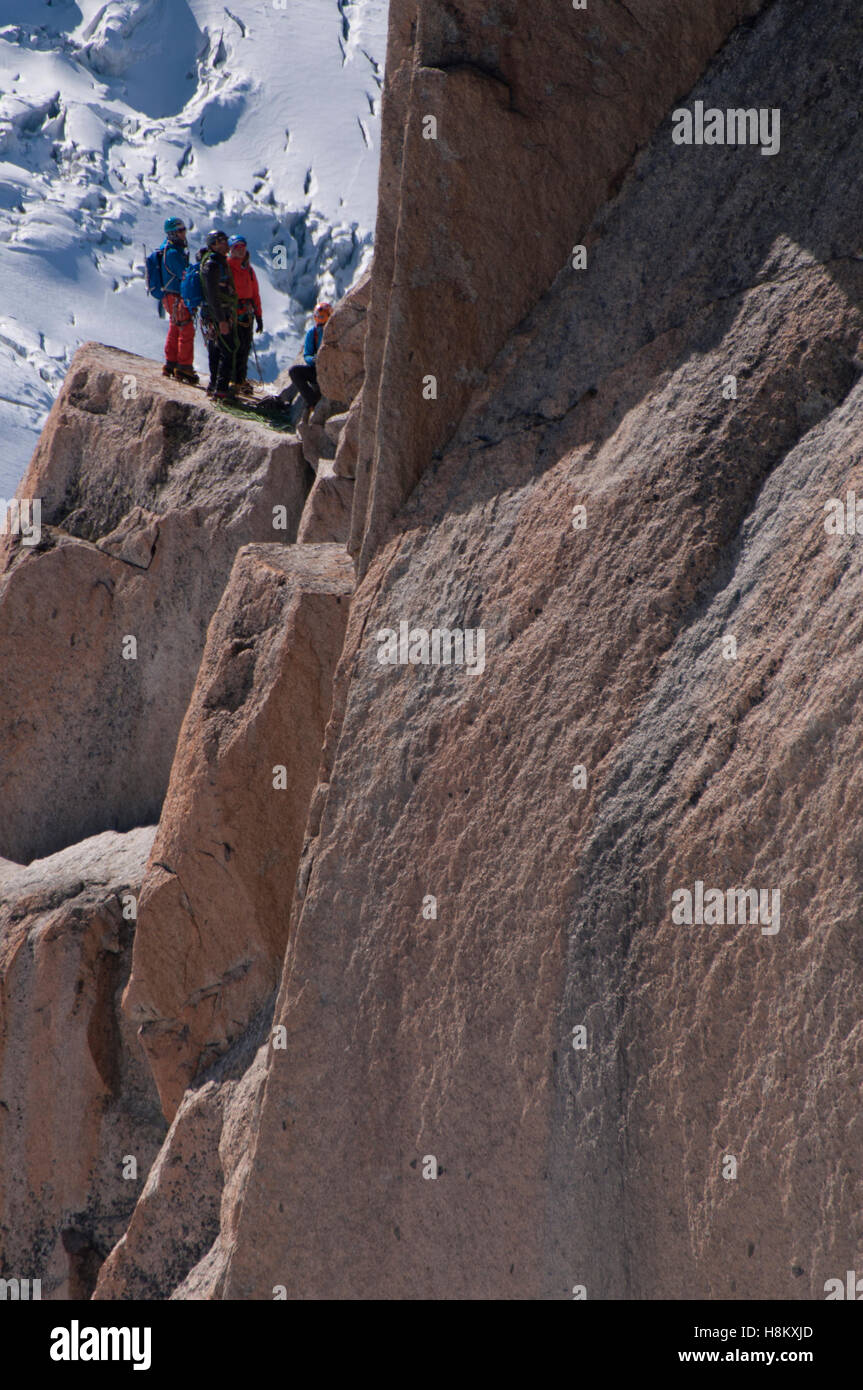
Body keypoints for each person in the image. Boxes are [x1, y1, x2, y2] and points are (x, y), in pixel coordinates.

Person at [160, 216, 199, 385]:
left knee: (175, 327)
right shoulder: (174, 253)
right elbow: (185, 273)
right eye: (181, 230)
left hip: (169, 296)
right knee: (186, 329)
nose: (184, 233)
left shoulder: (168, 249)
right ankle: (184, 366)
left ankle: (171, 363)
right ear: (174, 233)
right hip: (177, 296)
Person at [201, 229, 239, 401]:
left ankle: (214, 385)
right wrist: (222, 320)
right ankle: (221, 389)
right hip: (217, 314)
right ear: (213, 244)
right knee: (227, 349)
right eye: (222, 240)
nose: (226, 244)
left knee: (216, 350)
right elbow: (212, 295)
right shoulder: (213, 265)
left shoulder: (217, 263)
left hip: (214, 314)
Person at [227, 234, 263, 395]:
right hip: (232, 314)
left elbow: (255, 293)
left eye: (242, 247)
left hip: (246, 314)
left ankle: (239, 379)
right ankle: (231, 379)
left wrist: (259, 315)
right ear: (230, 249)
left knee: (243, 347)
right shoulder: (227, 268)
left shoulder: (248, 269)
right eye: (237, 248)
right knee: (233, 347)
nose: (240, 251)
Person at [289, 301, 332, 413]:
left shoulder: (333, 329)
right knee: (295, 371)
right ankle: (313, 401)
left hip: (331, 369)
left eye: (322, 316)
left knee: (295, 372)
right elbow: (307, 354)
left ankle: (314, 402)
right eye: (317, 316)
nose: (319, 318)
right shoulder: (312, 333)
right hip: (317, 369)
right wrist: (313, 360)